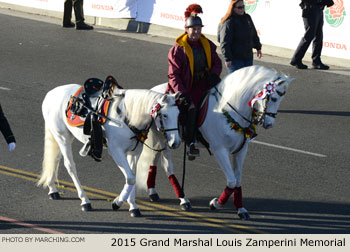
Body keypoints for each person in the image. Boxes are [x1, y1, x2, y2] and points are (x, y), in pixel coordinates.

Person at [166, 4, 222, 160]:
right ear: (186, 29)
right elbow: (174, 75)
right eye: (193, 29)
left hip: (206, 82)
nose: (196, 32)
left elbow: (217, 63)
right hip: (187, 86)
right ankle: (191, 143)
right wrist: (182, 93)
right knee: (191, 107)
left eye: (199, 28)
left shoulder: (207, 44)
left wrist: (214, 75)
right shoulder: (178, 49)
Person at [218, 0, 262, 74]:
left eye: (243, 7)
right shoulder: (228, 22)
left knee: (247, 83)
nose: (242, 9)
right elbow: (224, 42)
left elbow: (254, 34)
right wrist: (227, 59)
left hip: (248, 58)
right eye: (239, 7)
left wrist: (258, 48)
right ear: (233, 8)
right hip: (235, 61)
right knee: (237, 84)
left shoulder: (247, 18)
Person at [290, 0, 334, 70]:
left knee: (318, 36)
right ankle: (296, 59)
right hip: (310, 9)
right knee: (309, 35)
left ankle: (316, 61)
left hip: (318, 9)